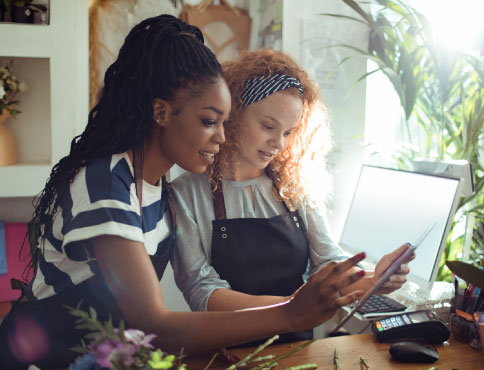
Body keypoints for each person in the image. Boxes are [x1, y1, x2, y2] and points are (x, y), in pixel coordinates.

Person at [0, 15, 367, 369]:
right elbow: (153, 326)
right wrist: (290, 313)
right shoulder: (105, 186)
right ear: (161, 112)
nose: (222, 137)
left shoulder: (156, 188)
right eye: (209, 121)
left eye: (224, 123)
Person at [170, 49, 414, 344]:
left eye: (289, 132)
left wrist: (375, 278)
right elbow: (202, 291)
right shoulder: (186, 192)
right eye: (268, 126)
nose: (278, 143)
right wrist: (291, 309)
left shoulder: (295, 186)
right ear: (232, 114)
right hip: (226, 353)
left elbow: (327, 263)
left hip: (298, 351)